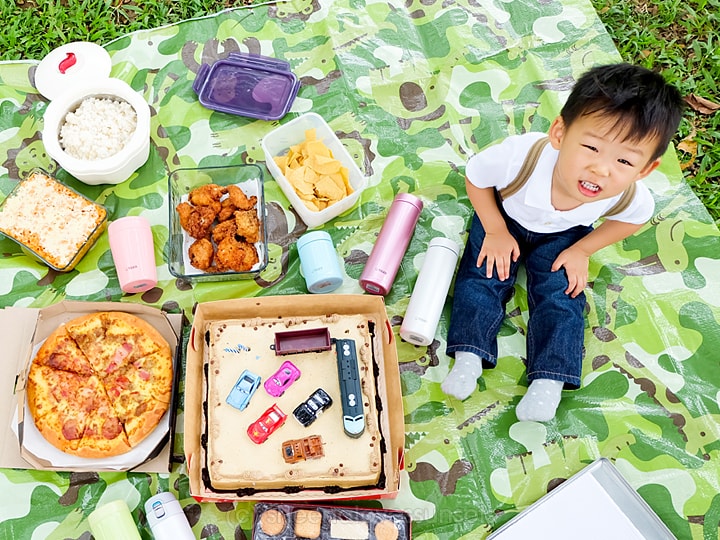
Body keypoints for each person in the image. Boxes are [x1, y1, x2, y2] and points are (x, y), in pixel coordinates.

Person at [442, 63, 684, 422]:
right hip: (505, 217)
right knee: (482, 276)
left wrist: (582, 249)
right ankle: (469, 355)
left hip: (564, 236)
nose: (601, 169)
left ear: (645, 169)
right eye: (590, 147)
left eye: (624, 160)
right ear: (560, 132)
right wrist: (493, 229)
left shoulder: (631, 196)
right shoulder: (520, 157)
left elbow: (634, 219)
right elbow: (476, 177)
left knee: (562, 295)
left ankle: (549, 380)